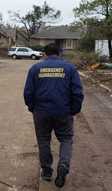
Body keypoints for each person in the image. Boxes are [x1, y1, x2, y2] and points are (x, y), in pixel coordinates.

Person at [24, 43, 84, 188]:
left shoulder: (35, 68)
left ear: (44, 54)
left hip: (41, 111)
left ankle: (47, 171)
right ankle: (63, 164)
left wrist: (32, 107)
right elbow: (77, 92)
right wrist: (74, 110)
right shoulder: (70, 68)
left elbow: (28, 92)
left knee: (44, 140)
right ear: (59, 54)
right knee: (66, 139)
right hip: (63, 111)